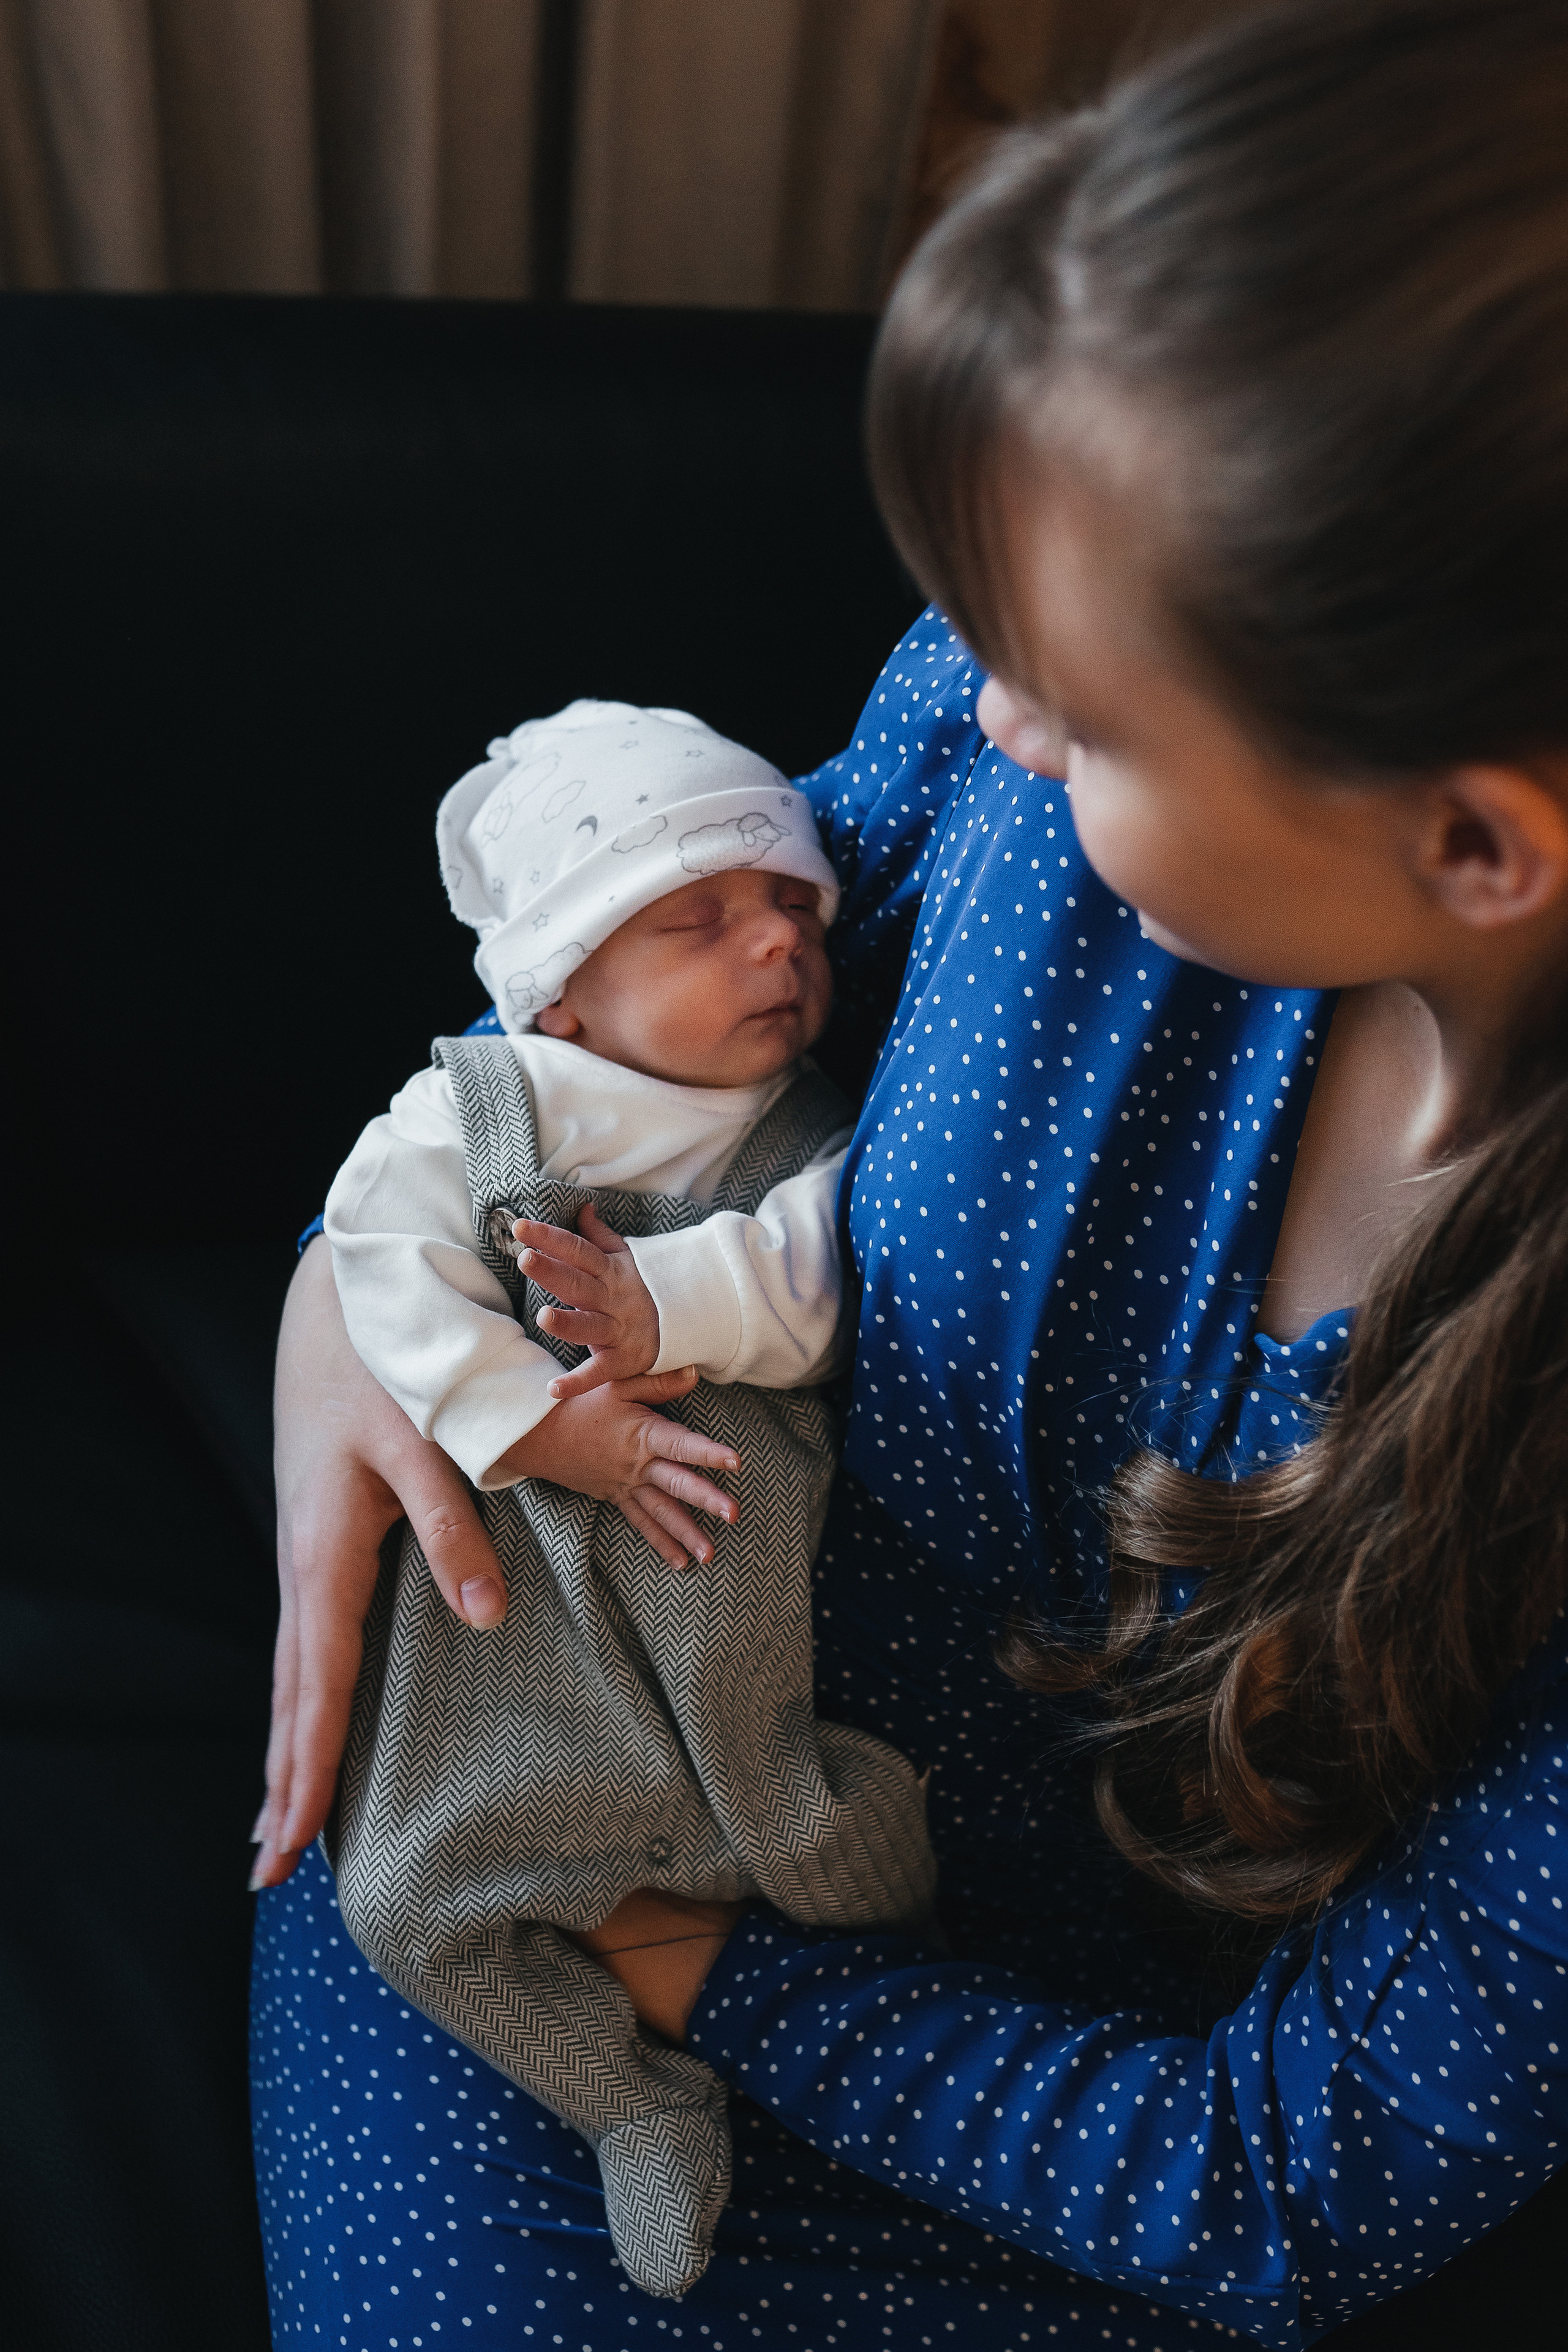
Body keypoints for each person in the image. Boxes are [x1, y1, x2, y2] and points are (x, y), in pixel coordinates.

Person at [249, 3, 1568, 2346]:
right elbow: (590, 1043)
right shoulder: (1028, 743)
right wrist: (348, 1310)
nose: (988, 722)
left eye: (1078, 696)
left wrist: (721, 1988)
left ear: (1476, 840)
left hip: (1065, 2129)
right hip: (584, 1811)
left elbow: (1288, 2186)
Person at [320, 698, 933, 2298]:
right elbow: (379, 1265)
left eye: (796, 907)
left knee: (802, 1821)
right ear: (568, 996)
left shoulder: (827, 1136)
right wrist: (539, 1423)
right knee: (402, 1898)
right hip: (516, 1601)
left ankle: (799, 1866)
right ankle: (630, 2101)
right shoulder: (483, 1108)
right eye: (699, 922)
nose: (776, 949)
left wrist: (666, 1310)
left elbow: (823, 1285)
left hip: (727, 1544)